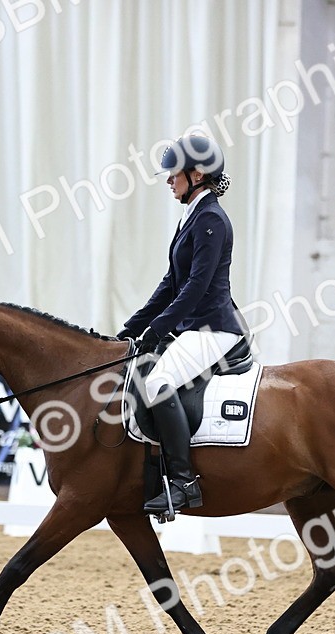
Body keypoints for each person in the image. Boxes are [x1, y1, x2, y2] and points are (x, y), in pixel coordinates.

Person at [117, 134, 246, 515]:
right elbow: (170, 283)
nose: (168, 180)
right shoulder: (192, 217)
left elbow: (195, 288)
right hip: (193, 327)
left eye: (174, 173)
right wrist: (132, 326)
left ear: (198, 174)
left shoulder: (211, 220)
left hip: (214, 329)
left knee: (157, 382)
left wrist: (157, 330)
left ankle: (183, 484)